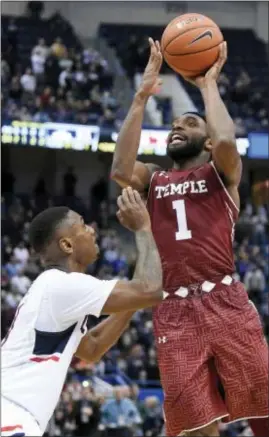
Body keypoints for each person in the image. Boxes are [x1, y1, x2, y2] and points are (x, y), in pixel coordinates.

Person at [111, 38, 269, 437]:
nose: (178, 126)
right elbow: (120, 169)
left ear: (208, 141)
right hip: (174, 310)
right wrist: (140, 97)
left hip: (226, 301)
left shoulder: (222, 174)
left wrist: (208, 84)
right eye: (175, 124)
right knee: (195, 429)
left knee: (265, 411)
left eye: (190, 123)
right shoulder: (155, 177)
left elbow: (229, 142)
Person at [1, 187, 163, 436]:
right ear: (66, 244)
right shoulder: (60, 285)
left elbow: (92, 347)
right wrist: (143, 227)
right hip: (11, 414)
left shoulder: (55, 289)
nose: (92, 229)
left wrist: (132, 301)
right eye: (83, 225)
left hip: (16, 412)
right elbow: (151, 289)